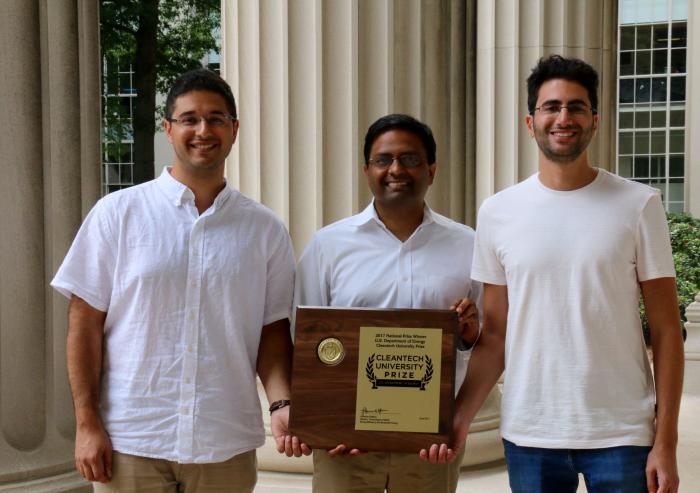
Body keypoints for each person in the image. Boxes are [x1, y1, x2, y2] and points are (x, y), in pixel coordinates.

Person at [425, 55, 684, 493]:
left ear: (594, 121)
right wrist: (460, 418)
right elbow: (495, 336)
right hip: (531, 432)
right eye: (552, 107)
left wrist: (667, 441)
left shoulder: (639, 204)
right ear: (531, 122)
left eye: (576, 107)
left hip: (622, 433)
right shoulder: (498, 212)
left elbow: (665, 331)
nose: (564, 117)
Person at [51, 68, 309, 493]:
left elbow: (273, 333)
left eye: (216, 118)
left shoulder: (265, 230)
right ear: (169, 130)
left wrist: (282, 403)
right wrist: (86, 423)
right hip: (132, 441)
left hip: (224, 442)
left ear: (234, 129)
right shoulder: (118, 214)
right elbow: (84, 325)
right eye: (189, 119)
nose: (203, 130)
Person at [294, 113, 481, 493]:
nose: (396, 169)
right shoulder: (328, 246)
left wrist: (468, 330)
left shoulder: (469, 245)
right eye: (384, 159)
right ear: (367, 170)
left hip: (430, 444)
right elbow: (304, 341)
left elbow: (484, 340)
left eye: (410, 159)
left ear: (432, 170)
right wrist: (324, 424)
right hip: (345, 445)